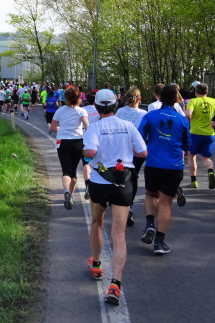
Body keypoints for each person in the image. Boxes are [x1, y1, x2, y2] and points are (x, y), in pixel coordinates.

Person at [82, 89, 147, 305]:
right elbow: (143, 152)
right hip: (123, 182)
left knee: (96, 223)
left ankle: (97, 264)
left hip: (99, 182)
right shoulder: (127, 126)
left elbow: (90, 152)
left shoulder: (94, 127)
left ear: (97, 106)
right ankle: (115, 284)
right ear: (115, 104)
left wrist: (85, 152)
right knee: (119, 234)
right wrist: (126, 152)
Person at [138, 85, 191, 255]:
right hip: (173, 165)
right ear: (176, 100)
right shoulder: (182, 120)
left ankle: (150, 224)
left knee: (150, 195)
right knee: (166, 203)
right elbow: (187, 145)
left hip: (153, 163)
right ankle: (159, 243)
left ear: (159, 98)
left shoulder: (150, 116)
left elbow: (140, 137)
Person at [49, 87, 89, 211]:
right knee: (74, 172)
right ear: (79, 98)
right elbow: (87, 125)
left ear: (66, 97)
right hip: (78, 141)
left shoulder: (59, 111)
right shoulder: (81, 111)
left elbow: (52, 128)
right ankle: (71, 194)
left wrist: (61, 129)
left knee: (66, 171)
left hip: (63, 142)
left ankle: (67, 192)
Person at [115, 87, 148, 227]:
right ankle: (130, 206)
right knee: (133, 177)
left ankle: (118, 203)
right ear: (140, 99)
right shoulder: (144, 113)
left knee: (119, 175)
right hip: (136, 150)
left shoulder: (120, 112)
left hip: (120, 149)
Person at [185, 83, 215, 189]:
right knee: (206, 158)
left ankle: (194, 181)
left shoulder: (193, 101)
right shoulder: (214, 101)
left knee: (191, 155)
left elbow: (187, 114)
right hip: (209, 133)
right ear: (207, 92)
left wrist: (191, 120)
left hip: (195, 132)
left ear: (195, 92)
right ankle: (210, 171)